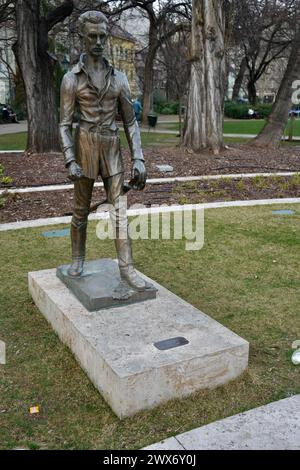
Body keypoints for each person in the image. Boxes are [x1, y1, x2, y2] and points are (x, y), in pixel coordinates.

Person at [59, 10, 147, 291]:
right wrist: (70, 159)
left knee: (120, 211)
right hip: (84, 147)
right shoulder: (71, 79)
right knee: (80, 211)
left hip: (111, 149)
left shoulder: (119, 78)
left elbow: (131, 122)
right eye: (92, 36)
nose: (98, 41)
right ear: (82, 38)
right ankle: (77, 258)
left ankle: (127, 269)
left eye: (102, 36)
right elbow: (64, 124)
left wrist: (139, 158)